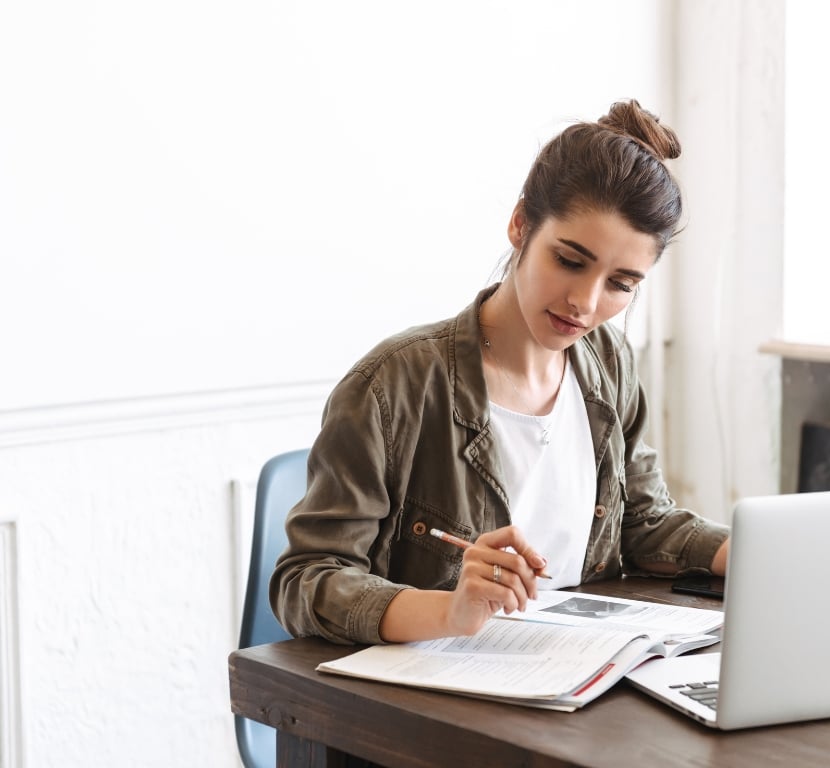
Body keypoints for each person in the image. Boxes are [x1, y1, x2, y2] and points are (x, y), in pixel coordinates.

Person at [271, 99, 730, 646]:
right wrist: (448, 611)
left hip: (572, 682)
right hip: (426, 702)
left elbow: (646, 523)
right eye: (569, 260)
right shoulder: (393, 387)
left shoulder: (608, 365)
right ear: (519, 225)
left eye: (621, 284)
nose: (585, 302)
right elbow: (306, 581)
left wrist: (763, 554)